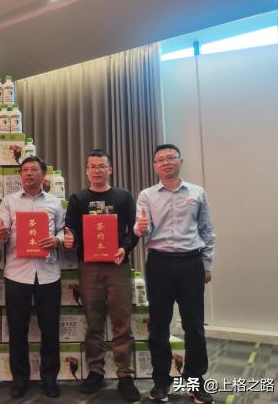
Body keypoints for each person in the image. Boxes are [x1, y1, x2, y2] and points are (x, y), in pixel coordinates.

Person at [134, 144, 216, 404]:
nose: (166, 162)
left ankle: (195, 381)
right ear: (154, 166)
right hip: (159, 263)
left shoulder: (197, 192)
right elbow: (141, 229)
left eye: (171, 158)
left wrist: (206, 264)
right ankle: (161, 382)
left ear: (181, 161)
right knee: (159, 325)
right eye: (160, 159)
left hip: (191, 262)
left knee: (195, 325)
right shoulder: (146, 195)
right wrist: (139, 228)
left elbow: (207, 230)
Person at [0, 156, 74, 399]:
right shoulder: (9, 201)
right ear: (20, 175)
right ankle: (20, 379)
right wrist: (1, 234)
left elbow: (64, 232)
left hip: (48, 274)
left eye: (33, 170)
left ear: (43, 175)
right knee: (17, 329)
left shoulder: (54, 202)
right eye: (24, 170)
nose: (28, 173)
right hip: (17, 274)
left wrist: (57, 239)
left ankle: (49, 378)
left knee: (50, 329)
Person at [65, 149, 140, 401]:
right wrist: (70, 239)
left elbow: (135, 229)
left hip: (117, 265)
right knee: (93, 321)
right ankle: (96, 371)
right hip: (89, 266)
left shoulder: (123, 197)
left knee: (122, 322)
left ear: (110, 169)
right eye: (92, 166)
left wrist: (125, 248)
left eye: (101, 166)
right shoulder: (78, 199)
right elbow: (70, 228)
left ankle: (125, 374)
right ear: (86, 171)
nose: (97, 170)